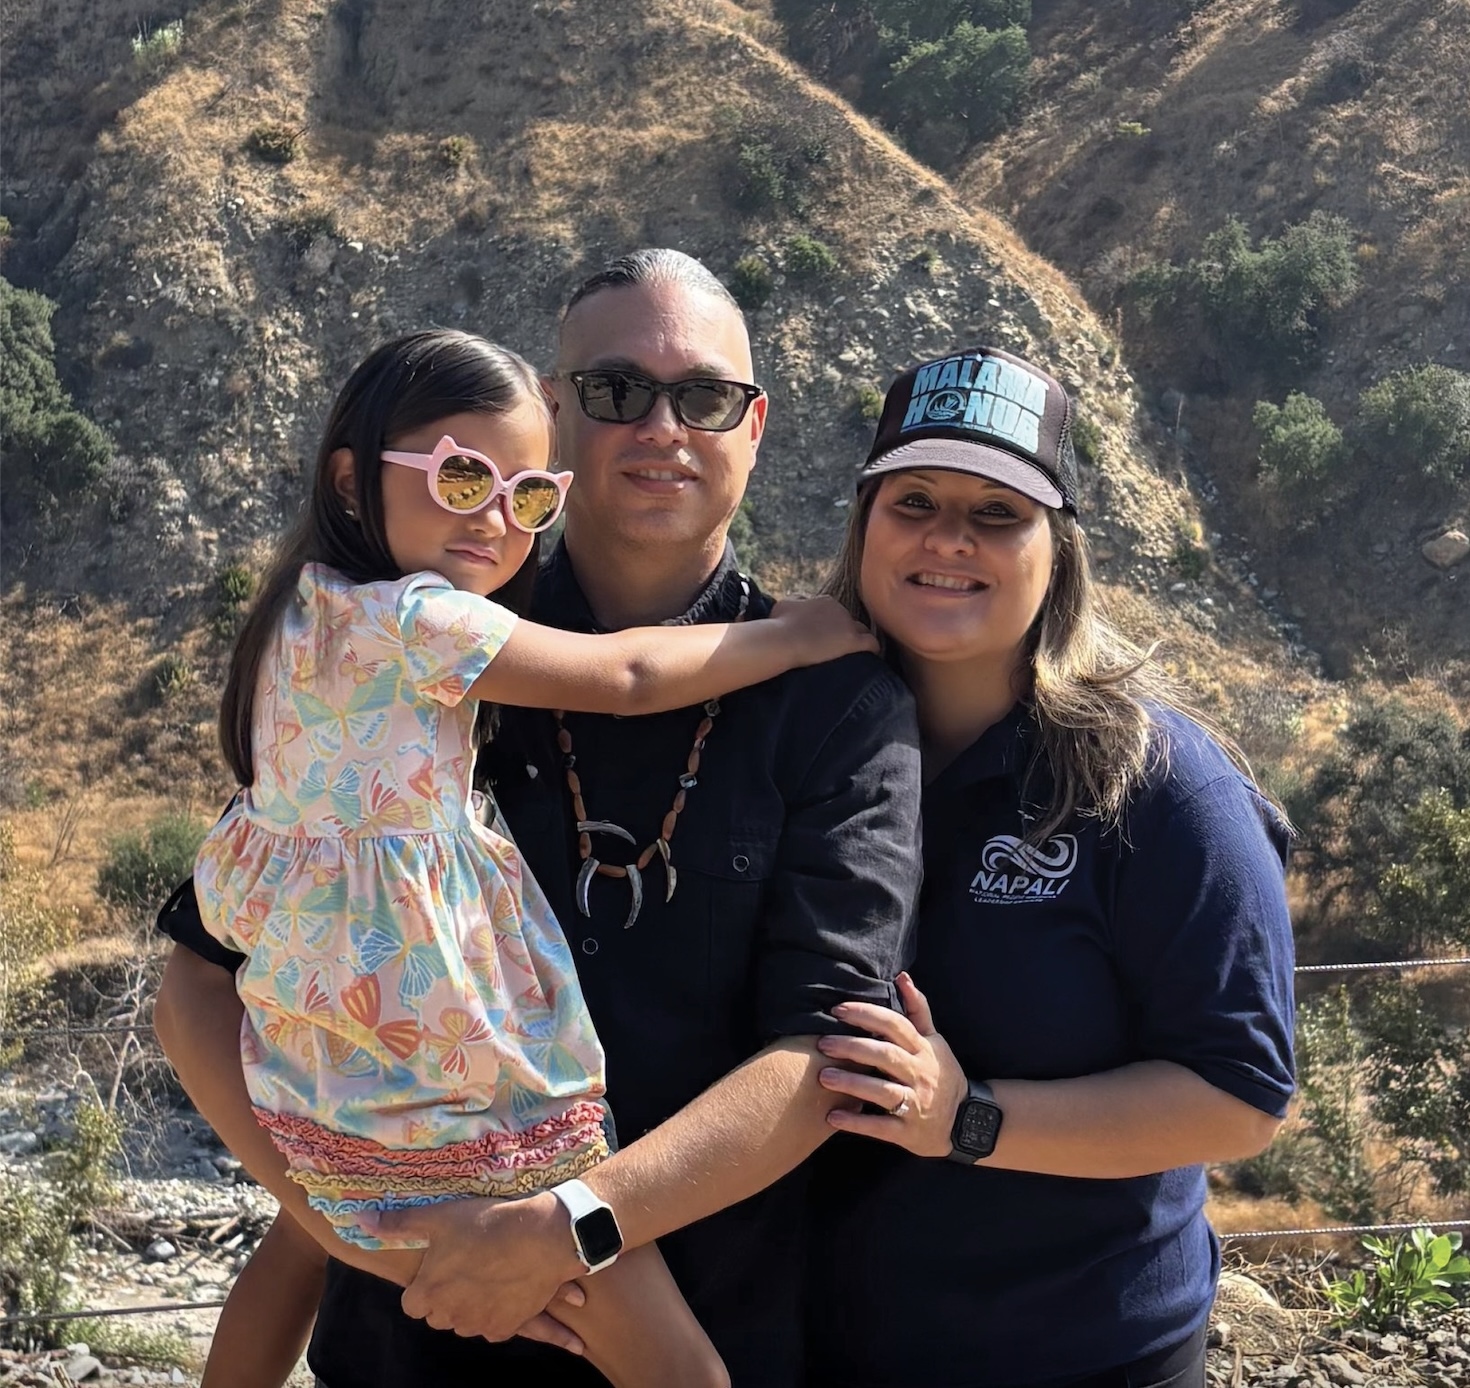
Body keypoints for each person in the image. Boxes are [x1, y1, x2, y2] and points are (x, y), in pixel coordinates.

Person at [153, 249, 923, 1388]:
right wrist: (325, 1212)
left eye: (703, 396)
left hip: (712, 1305)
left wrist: (568, 1224)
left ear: (754, 426)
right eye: (618, 391)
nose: (664, 426)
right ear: (557, 416)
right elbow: (206, 974)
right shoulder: (431, 647)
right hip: (401, 1339)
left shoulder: (839, 708)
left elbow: (829, 1054)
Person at [806, 345, 1297, 1388]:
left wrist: (967, 1116)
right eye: (917, 500)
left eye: (998, 513)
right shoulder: (795, 741)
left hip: (1086, 1352)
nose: (949, 538)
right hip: (822, 1341)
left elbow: (1238, 1094)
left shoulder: (1159, 784)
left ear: (1058, 548)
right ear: (863, 526)